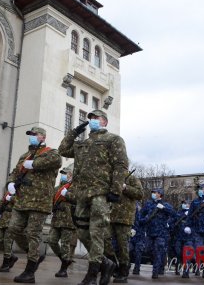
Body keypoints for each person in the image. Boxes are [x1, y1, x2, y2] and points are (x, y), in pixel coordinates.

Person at [58, 109, 127, 285]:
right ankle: (106, 263)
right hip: (82, 194)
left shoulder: (113, 140)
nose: (92, 121)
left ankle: (92, 273)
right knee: (81, 231)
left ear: (105, 122)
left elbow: (120, 165)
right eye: (91, 119)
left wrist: (116, 190)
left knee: (97, 232)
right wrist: (74, 132)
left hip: (101, 193)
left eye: (96, 118)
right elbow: (63, 150)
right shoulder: (83, 143)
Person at [6, 126, 62, 283]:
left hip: (39, 202)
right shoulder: (25, 156)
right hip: (22, 200)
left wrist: (34, 164)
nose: (31, 136)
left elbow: (57, 161)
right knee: (12, 229)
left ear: (43, 137)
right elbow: (15, 173)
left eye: (34, 134)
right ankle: (35, 256)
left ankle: (30, 272)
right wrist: (10, 183)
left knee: (33, 233)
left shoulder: (51, 152)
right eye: (30, 134)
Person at [104, 170, 143, 283]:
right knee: (105, 241)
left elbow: (140, 194)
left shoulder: (132, 178)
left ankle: (123, 271)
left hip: (124, 218)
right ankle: (114, 265)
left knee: (122, 246)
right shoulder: (112, 177)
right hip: (111, 217)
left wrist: (126, 188)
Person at [139, 188, 175, 279]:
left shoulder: (165, 204)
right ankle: (159, 264)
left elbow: (174, 214)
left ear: (160, 194)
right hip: (150, 232)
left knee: (157, 251)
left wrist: (164, 208)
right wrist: (143, 221)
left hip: (161, 233)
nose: (153, 194)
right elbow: (141, 214)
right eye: (153, 192)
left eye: (155, 192)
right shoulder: (148, 204)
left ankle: (156, 271)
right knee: (148, 250)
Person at [48, 164, 76, 278]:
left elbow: (78, 199)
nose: (63, 176)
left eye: (66, 174)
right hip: (56, 219)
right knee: (51, 240)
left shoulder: (74, 187)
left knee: (65, 245)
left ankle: (63, 269)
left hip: (68, 221)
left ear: (70, 175)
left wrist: (67, 194)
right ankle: (64, 260)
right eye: (62, 174)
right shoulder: (56, 189)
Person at [0, 191, 18, 272]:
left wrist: (11, 198)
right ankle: (12, 256)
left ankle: (5, 265)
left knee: (7, 242)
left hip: (12, 219)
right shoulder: (8, 192)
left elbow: (21, 201)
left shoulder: (20, 190)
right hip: (3, 219)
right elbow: (2, 201)